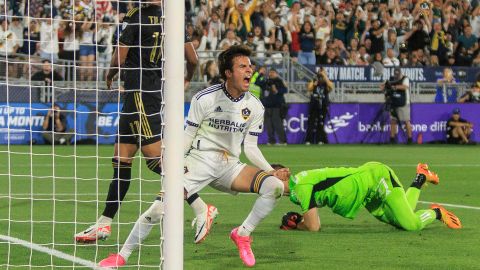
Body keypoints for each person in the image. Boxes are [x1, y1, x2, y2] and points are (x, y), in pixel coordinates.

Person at [98, 45, 288, 268]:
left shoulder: (255, 106)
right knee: (159, 209)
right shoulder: (205, 98)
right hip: (198, 161)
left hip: (230, 166)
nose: (249, 70)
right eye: (242, 66)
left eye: (250, 66)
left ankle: (242, 234)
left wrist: (270, 170)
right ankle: (122, 256)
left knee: (275, 186)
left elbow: (251, 147)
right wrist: (172, 158)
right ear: (228, 72)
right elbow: (187, 136)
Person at [75, 2, 199, 243]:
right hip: (150, 91)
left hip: (138, 93)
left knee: (156, 161)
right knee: (121, 160)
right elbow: (192, 59)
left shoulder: (135, 16)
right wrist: (187, 78)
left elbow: (120, 58)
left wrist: (110, 73)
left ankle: (200, 205)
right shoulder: (171, 17)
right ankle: (104, 224)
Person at [276, 162, 462, 232]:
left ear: (283, 173)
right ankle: (420, 177)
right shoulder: (298, 188)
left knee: (411, 224)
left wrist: (298, 225)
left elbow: (313, 227)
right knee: (401, 220)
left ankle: (436, 213)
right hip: (366, 194)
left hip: (377, 178)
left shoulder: (300, 187)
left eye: (268, 177)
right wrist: (301, 220)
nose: (263, 185)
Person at [381, 67, 413, 144]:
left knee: (406, 121)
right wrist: (384, 85)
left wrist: (394, 87)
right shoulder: (392, 79)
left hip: (404, 103)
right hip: (394, 102)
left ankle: (409, 139)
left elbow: (405, 87)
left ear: (400, 73)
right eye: (395, 75)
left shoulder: (405, 79)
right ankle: (392, 139)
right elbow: (383, 86)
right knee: (393, 121)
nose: (396, 76)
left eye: (398, 75)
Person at [305, 67, 333, 145]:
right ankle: (309, 140)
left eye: (322, 72)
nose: (321, 74)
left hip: (323, 104)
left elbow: (331, 87)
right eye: (320, 72)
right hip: (314, 104)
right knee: (311, 122)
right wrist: (314, 84)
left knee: (321, 123)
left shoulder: (326, 82)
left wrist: (325, 77)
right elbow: (309, 88)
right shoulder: (314, 80)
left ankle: (320, 140)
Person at [262, 68, 288, 145]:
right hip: (267, 106)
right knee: (269, 125)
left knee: (278, 124)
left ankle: (282, 141)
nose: (271, 74)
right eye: (270, 73)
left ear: (276, 73)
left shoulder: (279, 81)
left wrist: (276, 90)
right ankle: (271, 141)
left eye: (273, 72)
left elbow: (285, 90)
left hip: (277, 106)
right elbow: (258, 83)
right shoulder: (266, 81)